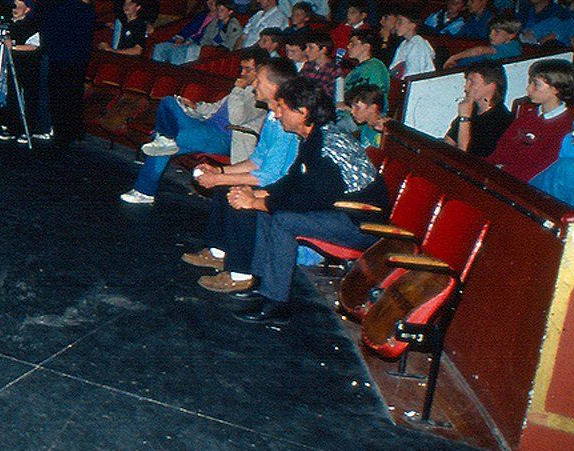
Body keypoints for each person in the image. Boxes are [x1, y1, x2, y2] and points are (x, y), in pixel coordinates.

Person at [225, 77, 386, 323]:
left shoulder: (326, 146)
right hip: (339, 212)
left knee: (283, 221)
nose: (276, 115)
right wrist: (256, 193)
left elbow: (307, 197)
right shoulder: (315, 136)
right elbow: (293, 180)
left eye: (282, 108)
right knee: (270, 210)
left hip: (360, 223)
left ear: (302, 112)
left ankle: (277, 305)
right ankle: (261, 284)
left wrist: (255, 202)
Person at [179, 59, 301, 280]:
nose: (254, 83)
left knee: (238, 196)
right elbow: (256, 160)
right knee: (224, 186)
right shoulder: (272, 117)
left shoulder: (286, 124)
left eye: (259, 80)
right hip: (272, 179)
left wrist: (220, 180)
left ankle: (241, 274)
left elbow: (270, 175)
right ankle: (218, 252)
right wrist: (221, 172)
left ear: (274, 87)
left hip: (285, 187)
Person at [120, 49, 266, 204]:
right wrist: (195, 106)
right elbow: (215, 109)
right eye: (241, 68)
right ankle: (164, 139)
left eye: (247, 69)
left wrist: (238, 89)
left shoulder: (260, 96)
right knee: (169, 102)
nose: (242, 73)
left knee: (168, 143)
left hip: (224, 138)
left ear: (260, 70)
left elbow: (237, 119)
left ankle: (144, 190)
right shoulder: (242, 88)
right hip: (205, 125)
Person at [487, 59, 574, 182]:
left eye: (536, 84)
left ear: (555, 89)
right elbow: (501, 149)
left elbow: (541, 169)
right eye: (530, 83)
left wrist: (501, 173)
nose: (528, 89)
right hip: (501, 176)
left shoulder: (567, 126)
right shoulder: (528, 114)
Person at [40, 0, 98, 146]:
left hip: (59, 58)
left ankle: (61, 132)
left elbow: (48, 34)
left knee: (59, 96)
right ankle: (76, 131)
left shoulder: (55, 10)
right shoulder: (87, 10)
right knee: (74, 96)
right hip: (78, 60)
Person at [0, 0, 43, 143]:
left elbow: (34, 45)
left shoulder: (31, 25)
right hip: (12, 65)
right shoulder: (9, 24)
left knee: (28, 97)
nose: (15, 9)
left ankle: (27, 129)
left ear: (27, 9)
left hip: (28, 66)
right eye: (14, 6)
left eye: (19, 6)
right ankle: (12, 127)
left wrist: (14, 46)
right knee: (12, 96)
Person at [445, 62, 515, 157]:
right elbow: (448, 143)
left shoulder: (502, 121)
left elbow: (464, 156)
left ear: (491, 86)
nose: (465, 87)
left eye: (472, 82)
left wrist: (465, 118)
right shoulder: (473, 109)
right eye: (466, 82)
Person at [152, 0, 242, 64]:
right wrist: (183, 39)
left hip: (210, 52)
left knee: (185, 51)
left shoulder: (233, 26)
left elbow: (227, 46)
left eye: (221, 10)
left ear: (230, 11)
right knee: (160, 47)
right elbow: (205, 37)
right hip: (196, 45)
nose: (219, 12)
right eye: (218, 10)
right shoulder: (212, 21)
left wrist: (204, 47)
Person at [443, 17, 523, 68]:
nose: (491, 35)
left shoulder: (513, 47)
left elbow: (481, 50)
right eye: (490, 31)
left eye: (497, 32)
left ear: (511, 35)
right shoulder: (497, 47)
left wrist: (454, 57)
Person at [342, 27, 390, 105]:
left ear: (366, 47)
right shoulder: (360, 67)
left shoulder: (374, 68)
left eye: (353, 44)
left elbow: (372, 98)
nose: (348, 46)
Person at [389, 8, 436, 79]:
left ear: (412, 25)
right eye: (396, 22)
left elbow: (413, 74)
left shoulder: (418, 45)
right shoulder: (403, 43)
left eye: (400, 22)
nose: (396, 26)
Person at [338, 84, 390, 148]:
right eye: (352, 107)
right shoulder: (366, 127)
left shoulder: (385, 129)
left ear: (373, 108)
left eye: (357, 108)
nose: (352, 112)